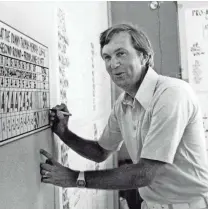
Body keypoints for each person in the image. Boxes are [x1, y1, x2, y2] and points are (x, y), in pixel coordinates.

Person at [40, 23, 208, 209]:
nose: (113, 64)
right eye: (107, 57)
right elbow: (100, 152)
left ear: (144, 56)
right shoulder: (123, 104)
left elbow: (144, 173)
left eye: (121, 53)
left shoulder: (172, 94)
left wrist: (75, 178)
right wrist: (63, 132)